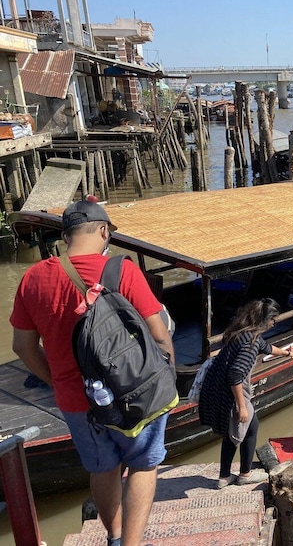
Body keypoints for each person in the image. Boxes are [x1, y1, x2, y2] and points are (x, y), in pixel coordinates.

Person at [10, 198, 174, 546]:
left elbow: (22, 347)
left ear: (66, 235)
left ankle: (114, 538)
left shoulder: (33, 278)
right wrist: (167, 372)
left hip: (75, 400)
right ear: (103, 231)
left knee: (102, 467)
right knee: (143, 465)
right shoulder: (121, 270)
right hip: (132, 391)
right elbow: (159, 333)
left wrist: (57, 380)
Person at [198, 299, 293, 488]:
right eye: (274, 320)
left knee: (232, 433)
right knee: (251, 427)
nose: (273, 324)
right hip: (230, 391)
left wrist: (289, 353)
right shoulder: (250, 344)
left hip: (217, 386)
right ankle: (245, 474)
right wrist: (241, 407)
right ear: (266, 319)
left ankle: (224, 477)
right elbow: (235, 375)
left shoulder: (243, 332)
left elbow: (268, 348)